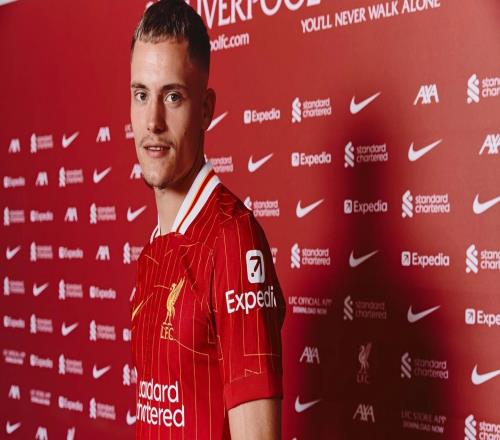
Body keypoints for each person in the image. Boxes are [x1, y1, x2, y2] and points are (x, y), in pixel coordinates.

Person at [129, 1, 285, 439]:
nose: (153, 121)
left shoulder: (234, 239)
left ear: (205, 109)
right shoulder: (154, 248)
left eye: (172, 96)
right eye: (141, 94)